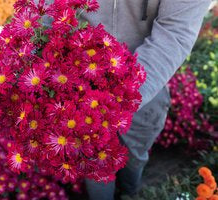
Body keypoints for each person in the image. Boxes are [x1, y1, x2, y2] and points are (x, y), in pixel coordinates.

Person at [81, 0, 212, 199]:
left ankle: (130, 191)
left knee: (134, 156)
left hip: (145, 86)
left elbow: (174, 32)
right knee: (94, 163)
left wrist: (121, 100)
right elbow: (47, 10)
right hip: (81, 81)